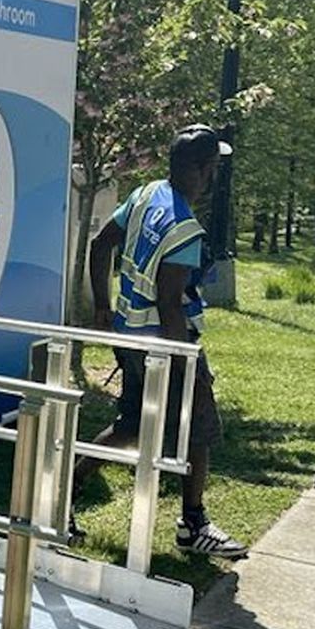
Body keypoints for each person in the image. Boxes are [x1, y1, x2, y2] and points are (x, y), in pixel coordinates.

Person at [82, 124, 247, 559]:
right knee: (198, 429)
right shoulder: (185, 230)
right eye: (212, 168)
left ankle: (61, 497)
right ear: (202, 171)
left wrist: (103, 305)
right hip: (166, 345)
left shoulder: (145, 194)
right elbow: (171, 304)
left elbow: (101, 246)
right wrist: (182, 361)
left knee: (131, 426)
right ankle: (194, 525)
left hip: (129, 338)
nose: (213, 178)